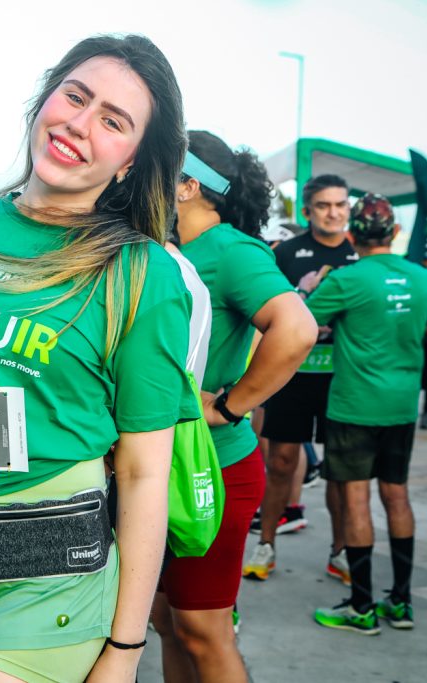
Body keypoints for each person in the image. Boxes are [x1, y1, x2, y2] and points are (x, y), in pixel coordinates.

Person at [0, 35, 198, 683]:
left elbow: (146, 473)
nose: (80, 125)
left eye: (113, 121)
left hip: (46, 571)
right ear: (44, 101)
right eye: (76, 96)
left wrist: (125, 649)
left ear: (132, 160)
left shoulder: (142, 275)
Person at [151, 130, 317, 683]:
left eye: (158, 170)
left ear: (188, 186)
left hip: (213, 467)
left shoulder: (230, 249)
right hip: (156, 468)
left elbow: (296, 329)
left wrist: (228, 406)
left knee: (204, 629)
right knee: (167, 623)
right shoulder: (169, 252)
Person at [306, 193, 422, 634]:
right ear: (394, 234)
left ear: (352, 236)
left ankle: (361, 607)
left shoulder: (346, 279)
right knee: (396, 495)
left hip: (355, 405)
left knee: (356, 498)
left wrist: (313, 290)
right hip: (402, 405)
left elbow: (304, 324)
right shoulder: (422, 279)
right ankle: (402, 603)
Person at [245, 174, 357, 583]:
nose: (334, 212)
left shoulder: (358, 255)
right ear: (308, 211)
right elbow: (263, 308)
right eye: (325, 205)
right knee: (282, 463)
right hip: (291, 375)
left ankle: (341, 552)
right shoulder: (287, 252)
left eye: (341, 204)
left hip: (342, 380)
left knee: (339, 473)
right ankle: (266, 545)